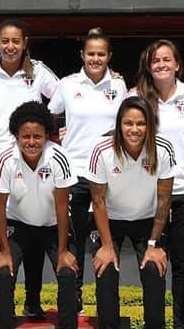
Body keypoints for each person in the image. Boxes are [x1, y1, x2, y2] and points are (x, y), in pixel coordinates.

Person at [0, 20, 59, 321]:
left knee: (31, 234)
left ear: (24, 42)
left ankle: (33, 301)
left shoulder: (39, 72)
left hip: (31, 158)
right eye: (5, 41)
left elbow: (63, 98)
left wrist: (58, 134)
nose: (10, 46)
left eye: (16, 41)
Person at [131, 39, 184, 329]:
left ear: (177, 64)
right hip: (150, 194)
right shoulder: (137, 97)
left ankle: (179, 325)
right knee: (152, 263)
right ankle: (155, 325)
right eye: (155, 61)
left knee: (182, 263)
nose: (161, 65)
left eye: (167, 59)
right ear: (148, 67)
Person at [48, 27, 127, 313]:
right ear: (82, 55)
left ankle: (106, 301)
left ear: (109, 57)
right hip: (75, 171)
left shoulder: (118, 86)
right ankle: (75, 298)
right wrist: (60, 138)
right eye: (91, 54)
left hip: (107, 172)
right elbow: (50, 116)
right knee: (75, 239)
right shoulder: (68, 85)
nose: (95, 59)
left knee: (104, 239)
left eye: (101, 54)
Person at [85, 97, 176, 329]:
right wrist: (106, 245)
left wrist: (154, 244)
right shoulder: (101, 150)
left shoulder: (163, 149)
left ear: (149, 126)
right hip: (110, 219)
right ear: (119, 125)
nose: (134, 130)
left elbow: (164, 200)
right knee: (105, 268)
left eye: (140, 123)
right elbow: (98, 200)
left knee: (154, 269)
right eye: (128, 123)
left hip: (147, 220)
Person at [0, 102, 77, 329]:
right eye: (25, 136)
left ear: (47, 135)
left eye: (37, 136)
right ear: (16, 136)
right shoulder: (5, 160)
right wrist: (4, 252)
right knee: (4, 272)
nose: (31, 142)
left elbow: (61, 207)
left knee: (67, 272)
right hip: (18, 224)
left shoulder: (59, 158)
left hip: (52, 224)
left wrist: (63, 252)